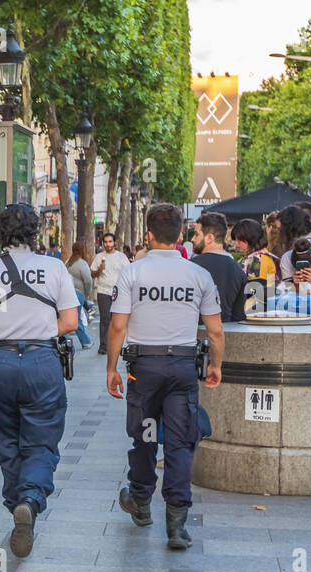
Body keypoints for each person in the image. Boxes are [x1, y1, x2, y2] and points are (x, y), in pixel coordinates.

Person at [0, 203, 80, 557]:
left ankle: (16, 502)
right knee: (41, 439)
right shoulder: (54, 267)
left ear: (0, 231)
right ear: (35, 232)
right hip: (42, 360)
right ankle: (30, 497)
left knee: (4, 437)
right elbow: (70, 322)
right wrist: (39, 331)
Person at [107, 203, 224, 551]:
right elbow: (215, 332)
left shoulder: (132, 273)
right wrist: (215, 365)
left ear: (148, 234)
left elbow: (117, 325)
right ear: (181, 234)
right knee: (179, 441)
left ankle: (141, 501)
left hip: (144, 370)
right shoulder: (198, 276)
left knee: (144, 436)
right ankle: (177, 524)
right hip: (182, 370)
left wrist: (111, 367)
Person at [191, 211, 246, 324]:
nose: (192, 239)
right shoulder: (238, 271)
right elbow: (239, 316)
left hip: (192, 334)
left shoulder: (191, 267)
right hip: (226, 334)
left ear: (210, 238)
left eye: (196, 234)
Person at [90, 232, 129, 355]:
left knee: (116, 321)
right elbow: (92, 274)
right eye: (106, 242)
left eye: (110, 241)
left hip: (118, 292)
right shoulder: (99, 257)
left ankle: (116, 345)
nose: (108, 244)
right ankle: (103, 346)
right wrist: (99, 270)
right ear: (103, 244)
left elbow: (128, 273)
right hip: (103, 291)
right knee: (105, 319)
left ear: (114, 243)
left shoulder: (121, 257)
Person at [64, 241, 95, 348]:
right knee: (76, 319)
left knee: (67, 318)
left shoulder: (68, 263)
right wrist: (86, 294)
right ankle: (86, 341)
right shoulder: (82, 263)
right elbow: (88, 281)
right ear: (82, 250)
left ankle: (64, 340)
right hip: (78, 294)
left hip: (66, 294)